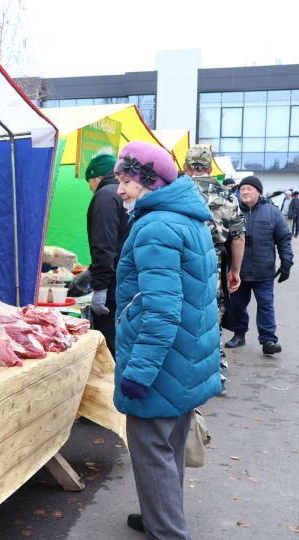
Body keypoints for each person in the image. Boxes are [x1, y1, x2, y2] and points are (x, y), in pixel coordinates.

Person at [113, 141, 221, 539]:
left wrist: (139, 371)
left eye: (125, 181)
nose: (120, 190)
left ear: (149, 181)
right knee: (169, 444)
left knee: (152, 450)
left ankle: (167, 531)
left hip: (162, 362)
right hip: (185, 359)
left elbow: (161, 311)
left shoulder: (156, 226)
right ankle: (160, 514)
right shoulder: (186, 218)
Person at [183, 144, 245, 396]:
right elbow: (238, 238)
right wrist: (235, 270)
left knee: (182, 316)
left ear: (185, 167)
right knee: (212, 318)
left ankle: (184, 376)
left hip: (183, 261)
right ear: (211, 167)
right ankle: (217, 376)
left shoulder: (178, 192)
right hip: (215, 262)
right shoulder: (228, 196)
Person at [225, 176, 293, 354]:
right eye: (242, 189)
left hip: (264, 271)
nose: (245, 192)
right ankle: (239, 334)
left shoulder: (272, 212)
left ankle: (268, 340)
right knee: (238, 305)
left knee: (266, 305)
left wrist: (287, 262)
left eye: (249, 188)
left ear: (259, 192)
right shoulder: (232, 210)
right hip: (238, 271)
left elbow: (284, 239)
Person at [84, 153, 129, 356]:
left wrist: (100, 286)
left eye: (89, 182)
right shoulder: (122, 194)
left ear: (96, 177)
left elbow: (104, 244)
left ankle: (112, 387)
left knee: (110, 346)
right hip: (124, 280)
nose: (89, 188)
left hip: (112, 287)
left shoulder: (105, 196)